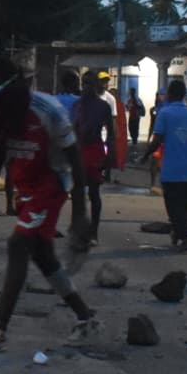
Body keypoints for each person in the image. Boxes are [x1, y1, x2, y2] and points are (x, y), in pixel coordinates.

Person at [0, 59, 97, 350]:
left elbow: (75, 158)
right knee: (43, 257)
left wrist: (80, 214)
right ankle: (85, 318)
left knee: (18, 245)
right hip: (26, 186)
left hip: (51, 184)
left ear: (16, 86)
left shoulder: (48, 110)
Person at [149, 78, 187, 250]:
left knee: (173, 206)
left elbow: (157, 139)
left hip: (170, 169)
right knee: (183, 205)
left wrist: (146, 154)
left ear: (171, 94)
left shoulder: (164, 113)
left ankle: (184, 236)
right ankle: (177, 232)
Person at [69, 69, 114, 249]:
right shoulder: (77, 105)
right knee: (77, 194)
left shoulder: (103, 106)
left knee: (94, 193)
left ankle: (93, 232)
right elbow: (73, 130)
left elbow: (111, 133)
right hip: (78, 151)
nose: (86, 87)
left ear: (96, 86)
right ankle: (78, 230)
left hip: (95, 150)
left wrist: (109, 156)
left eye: (89, 84)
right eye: (84, 84)